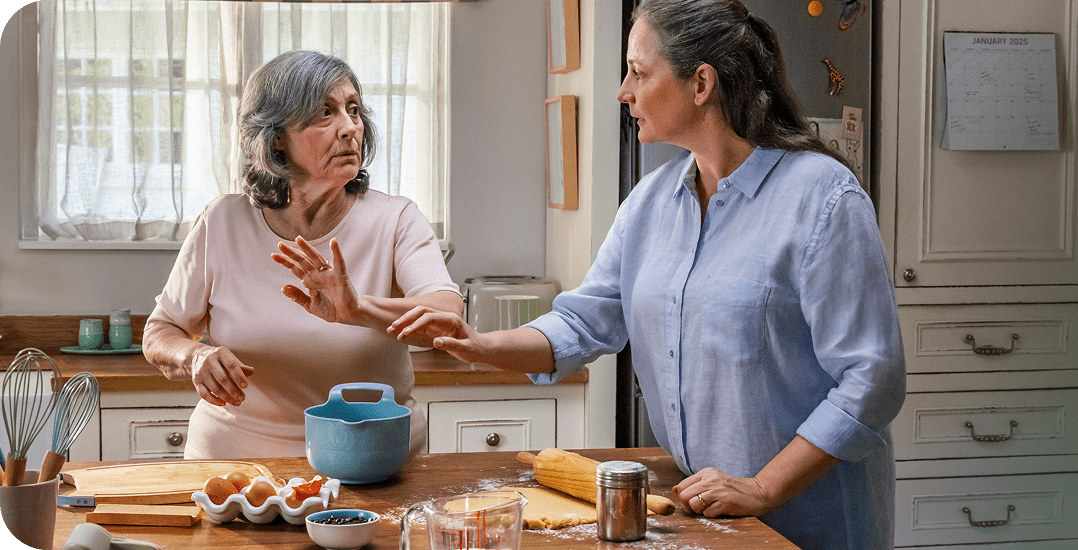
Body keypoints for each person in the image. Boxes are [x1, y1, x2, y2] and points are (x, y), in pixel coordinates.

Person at [389, 1, 905, 548]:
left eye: (638, 71)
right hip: (705, 517)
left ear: (701, 83)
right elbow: (582, 324)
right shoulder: (650, 203)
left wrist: (762, 487)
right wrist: (479, 345)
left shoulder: (824, 198)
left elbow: (872, 380)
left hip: (811, 525)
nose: (623, 91)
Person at [142, 50, 462, 460]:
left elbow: (448, 319)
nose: (350, 128)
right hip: (235, 468)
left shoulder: (396, 218)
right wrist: (193, 355)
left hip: (372, 461)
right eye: (325, 113)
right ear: (276, 137)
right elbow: (161, 331)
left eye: (353, 110)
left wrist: (358, 309)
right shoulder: (222, 221)